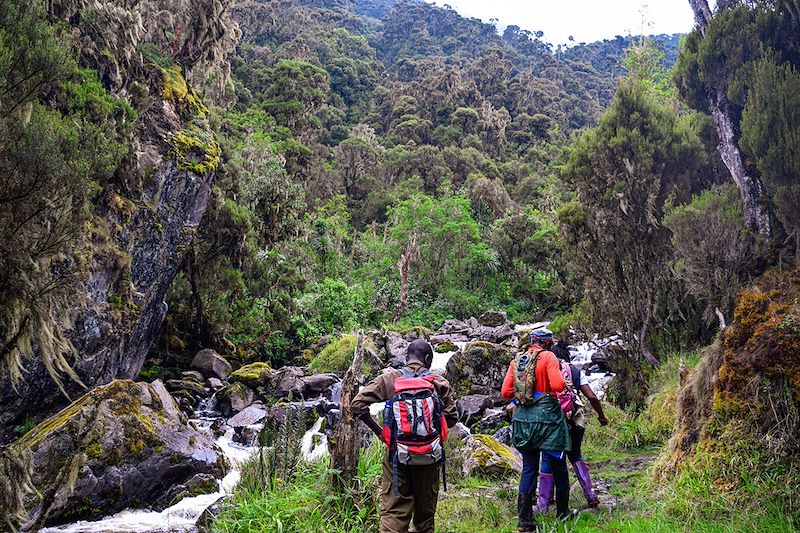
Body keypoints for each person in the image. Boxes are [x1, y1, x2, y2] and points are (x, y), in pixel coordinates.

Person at [351, 339, 458, 533]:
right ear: (427, 359)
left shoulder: (389, 379)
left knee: (393, 512)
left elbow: (357, 404)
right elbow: (452, 418)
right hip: (429, 458)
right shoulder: (439, 383)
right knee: (424, 517)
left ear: (407, 358)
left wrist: (381, 433)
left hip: (395, 456)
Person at [501, 329, 574, 532]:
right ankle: (563, 511)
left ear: (532, 342)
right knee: (559, 465)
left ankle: (525, 521)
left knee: (529, 468)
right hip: (548, 421)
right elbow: (559, 385)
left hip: (523, 420)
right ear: (548, 343)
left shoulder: (518, 360)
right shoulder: (548, 356)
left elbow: (506, 391)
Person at [539, 340, 609, 511]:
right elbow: (591, 396)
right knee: (575, 454)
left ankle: (543, 505)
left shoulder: (545, 370)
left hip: (551, 421)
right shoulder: (575, 371)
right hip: (575, 420)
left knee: (548, 458)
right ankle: (591, 496)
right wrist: (601, 417)